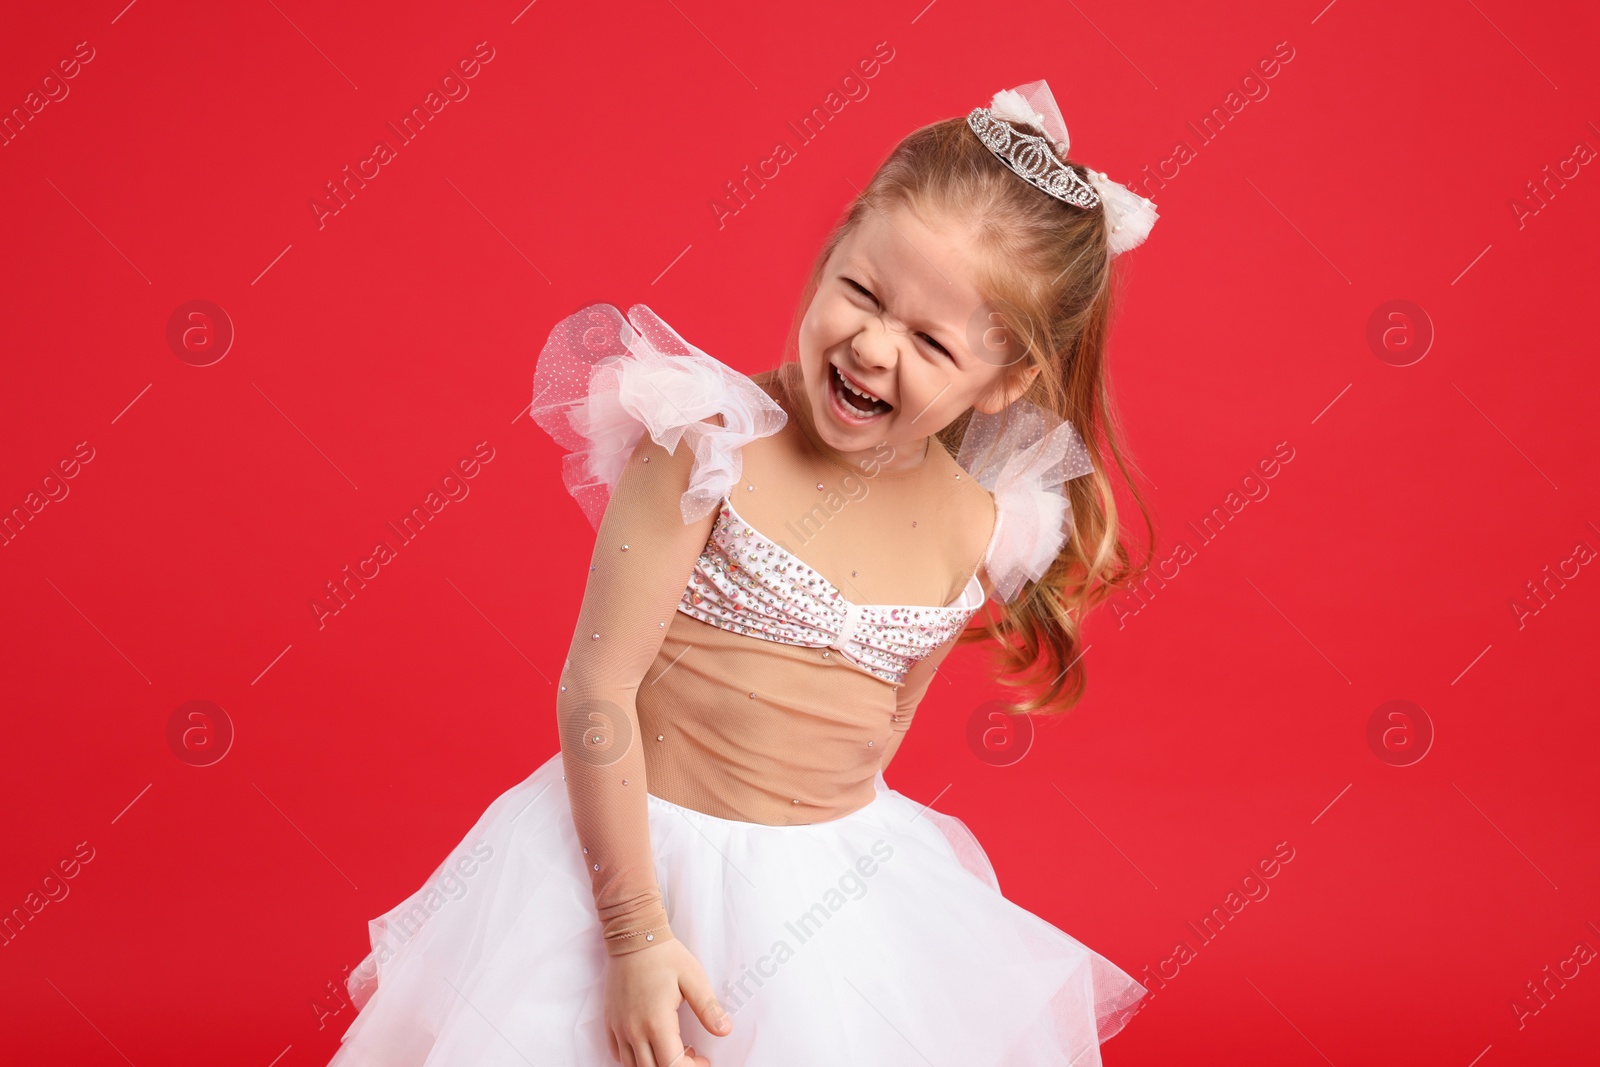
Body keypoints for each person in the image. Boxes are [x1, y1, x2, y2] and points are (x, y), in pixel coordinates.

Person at [326, 79, 1160, 1067]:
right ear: (833, 249)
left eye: (931, 342)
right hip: (631, 861)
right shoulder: (706, 442)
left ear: (1007, 377)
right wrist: (636, 930)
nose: (871, 345)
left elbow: (877, 732)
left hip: (830, 894)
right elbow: (598, 687)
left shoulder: (978, 524)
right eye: (860, 291)